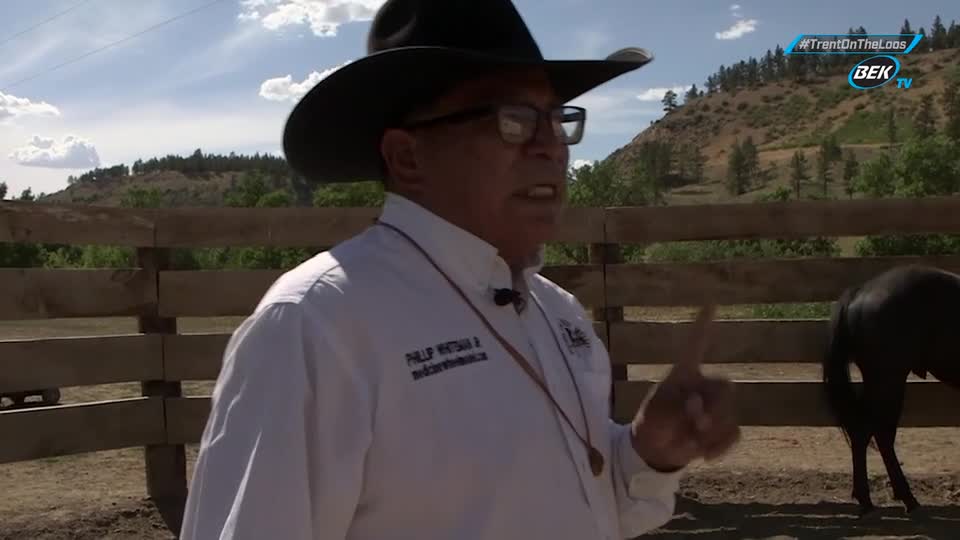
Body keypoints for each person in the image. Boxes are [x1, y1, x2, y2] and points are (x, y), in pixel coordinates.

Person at [179, 0, 740, 538]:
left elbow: (587, 509)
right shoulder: (316, 325)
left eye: (556, 119)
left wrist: (649, 452)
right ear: (407, 157)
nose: (552, 147)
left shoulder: (556, 312)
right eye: (514, 120)